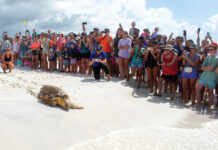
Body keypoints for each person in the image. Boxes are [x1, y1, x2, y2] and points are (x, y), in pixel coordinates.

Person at [195, 43, 218, 108]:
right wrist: (207, 67)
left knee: (210, 92)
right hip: (204, 76)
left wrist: (207, 67)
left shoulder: (216, 58)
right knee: (197, 88)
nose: (210, 51)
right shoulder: (207, 57)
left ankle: (210, 105)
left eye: (211, 49)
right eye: (209, 49)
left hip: (211, 78)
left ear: (215, 50)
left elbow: (211, 68)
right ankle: (198, 103)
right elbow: (202, 67)